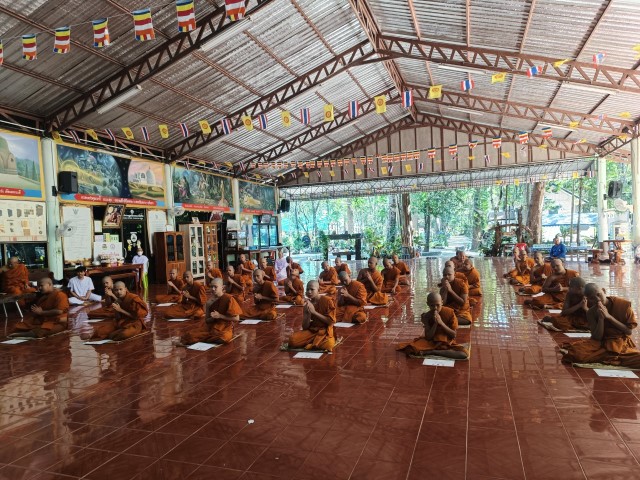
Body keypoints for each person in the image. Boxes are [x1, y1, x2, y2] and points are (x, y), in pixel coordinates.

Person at [561, 283, 640, 367]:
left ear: (603, 290)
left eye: (598, 294)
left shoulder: (623, 305)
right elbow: (597, 337)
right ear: (588, 300)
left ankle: (609, 357)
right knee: (576, 353)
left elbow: (628, 331)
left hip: (621, 343)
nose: (597, 299)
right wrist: (601, 319)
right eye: (592, 298)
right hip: (602, 343)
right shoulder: (591, 312)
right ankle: (609, 357)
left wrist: (609, 317)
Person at [396, 292, 468, 359]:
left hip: (446, 342)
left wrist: (441, 323)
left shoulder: (450, 312)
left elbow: (454, 335)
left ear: (442, 302)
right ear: (428, 304)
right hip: (432, 342)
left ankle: (433, 352)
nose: (435, 308)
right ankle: (436, 351)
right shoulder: (426, 316)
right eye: (432, 305)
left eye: (437, 305)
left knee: (463, 354)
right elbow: (428, 337)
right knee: (411, 349)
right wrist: (435, 324)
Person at [180, 278, 243, 345]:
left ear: (222, 287)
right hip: (212, 327)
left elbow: (237, 318)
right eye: (211, 287)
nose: (213, 289)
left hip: (225, 327)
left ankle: (206, 338)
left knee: (224, 337)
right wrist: (213, 318)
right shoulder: (209, 302)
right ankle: (209, 338)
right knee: (190, 335)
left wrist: (220, 316)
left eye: (215, 287)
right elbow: (207, 320)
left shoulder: (228, 298)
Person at [287, 280, 337, 352]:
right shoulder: (308, 305)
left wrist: (314, 312)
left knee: (329, 344)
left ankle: (313, 342)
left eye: (312, 289)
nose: (309, 292)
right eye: (307, 289)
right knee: (292, 340)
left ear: (318, 290)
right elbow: (305, 327)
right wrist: (308, 314)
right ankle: (315, 342)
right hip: (312, 330)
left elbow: (331, 322)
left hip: (325, 331)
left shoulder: (327, 301)